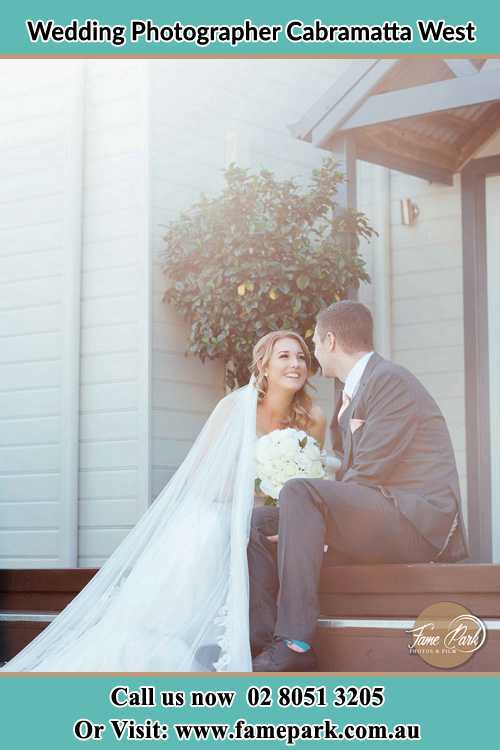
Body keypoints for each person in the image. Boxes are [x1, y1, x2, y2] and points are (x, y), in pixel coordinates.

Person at [1, 330, 325, 673]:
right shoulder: (234, 407)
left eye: (301, 357)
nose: (295, 364)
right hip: (221, 508)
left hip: (270, 517)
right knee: (213, 533)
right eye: (284, 356)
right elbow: (205, 480)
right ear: (264, 366)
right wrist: (262, 482)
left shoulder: (312, 417)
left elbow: (313, 481)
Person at [250, 301, 470, 672]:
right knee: (257, 522)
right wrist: (305, 524)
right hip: (383, 514)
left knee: (299, 493)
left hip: (418, 523)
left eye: (315, 345)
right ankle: (260, 642)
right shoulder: (355, 389)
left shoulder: (389, 380)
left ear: (331, 341)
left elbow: (367, 472)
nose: (314, 355)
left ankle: (295, 643)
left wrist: (317, 523)